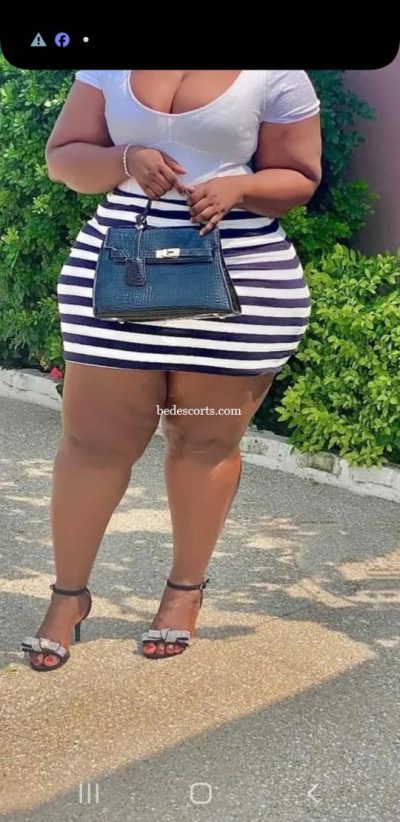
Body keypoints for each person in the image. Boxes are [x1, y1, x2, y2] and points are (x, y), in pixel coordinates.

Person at [21, 69, 322, 669]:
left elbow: (300, 178)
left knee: (203, 442)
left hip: (237, 281)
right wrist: (125, 158)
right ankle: (68, 596)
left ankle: (184, 592)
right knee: (94, 443)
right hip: (118, 272)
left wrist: (240, 187)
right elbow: (63, 158)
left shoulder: (278, 73)